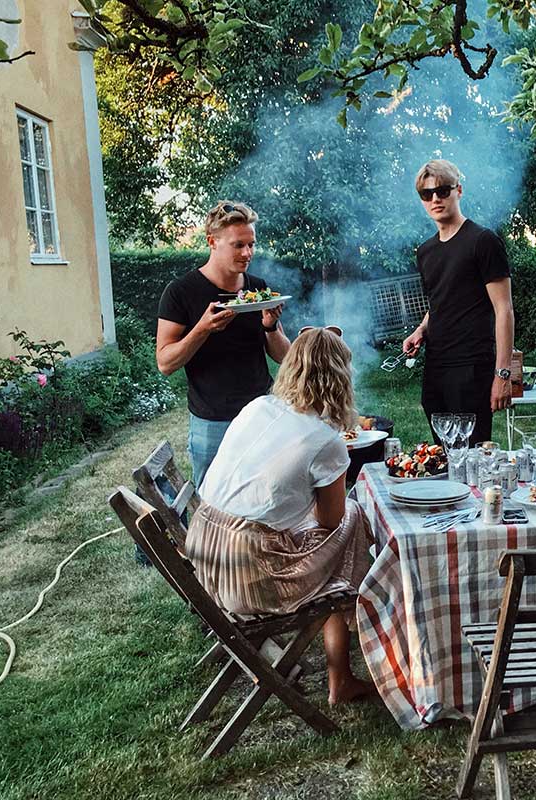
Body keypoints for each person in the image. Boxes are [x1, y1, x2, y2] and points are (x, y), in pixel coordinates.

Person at [185, 326, 374, 705]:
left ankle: (343, 662)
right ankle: (347, 659)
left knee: (333, 536)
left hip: (203, 557)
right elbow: (330, 522)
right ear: (340, 378)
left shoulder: (258, 406)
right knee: (353, 519)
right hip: (248, 576)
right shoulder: (326, 440)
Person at [156, 201, 290, 488]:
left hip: (260, 414)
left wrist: (269, 326)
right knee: (211, 503)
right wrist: (202, 329)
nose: (247, 253)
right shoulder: (181, 292)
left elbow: (283, 356)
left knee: (263, 496)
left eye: (251, 244)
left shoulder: (257, 288)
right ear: (212, 242)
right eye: (238, 245)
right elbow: (165, 363)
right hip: (211, 421)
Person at [401, 159, 515, 445]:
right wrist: (421, 330)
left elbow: (504, 309)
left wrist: (503, 374)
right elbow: (439, 301)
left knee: (472, 456)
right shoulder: (425, 251)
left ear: (458, 191)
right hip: (436, 366)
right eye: (427, 194)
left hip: (472, 367)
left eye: (442, 190)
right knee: (442, 456)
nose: (435, 199)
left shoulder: (483, 241)